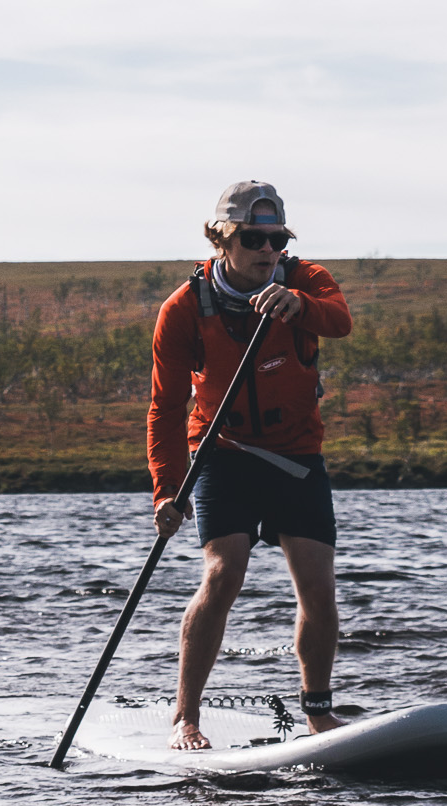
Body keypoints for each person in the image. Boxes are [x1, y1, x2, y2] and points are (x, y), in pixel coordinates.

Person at [147, 180, 354, 750]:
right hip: (224, 454)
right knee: (224, 573)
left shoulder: (305, 280)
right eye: (254, 239)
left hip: (297, 455)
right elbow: (166, 407)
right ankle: (185, 717)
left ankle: (317, 714)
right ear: (221, 240)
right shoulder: (183, 309)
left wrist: (301, 305)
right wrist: (167, 491)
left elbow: (340, 320)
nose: (268, 250)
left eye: (277, 239)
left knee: (318, 587)